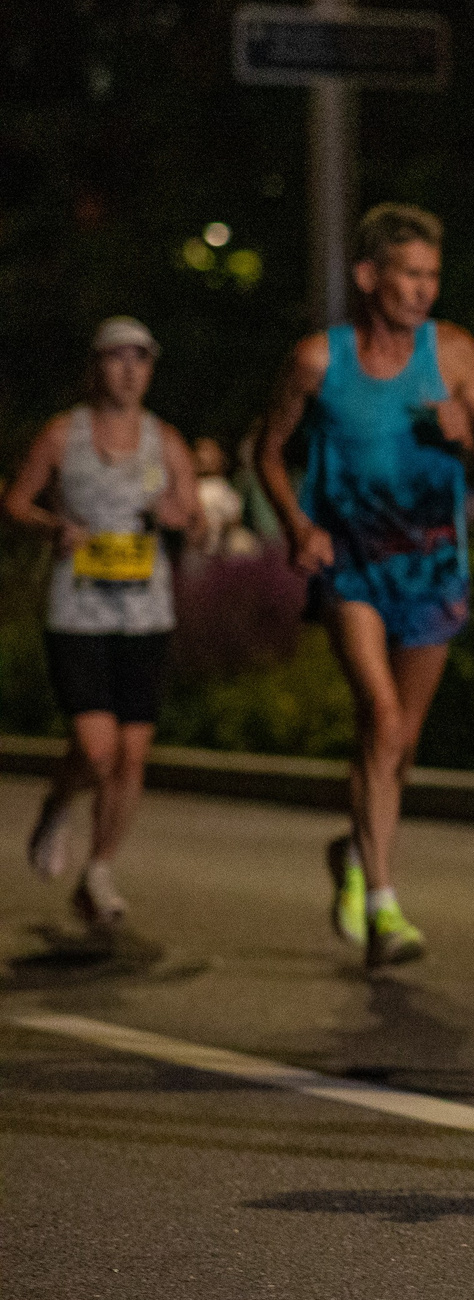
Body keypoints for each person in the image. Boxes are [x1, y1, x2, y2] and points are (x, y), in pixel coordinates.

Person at [255, 202, 474, 969]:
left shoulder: (453, 353)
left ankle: (354, 851)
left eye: (433, 275)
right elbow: (268, 450)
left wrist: (471, 436)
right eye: (409, 274)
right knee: (383, 717)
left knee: (400, 744)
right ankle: (385, 906)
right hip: (353, 567)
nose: (424, 289)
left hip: (431, 569)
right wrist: (298, 525)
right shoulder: (317, 361)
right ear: (368, 277)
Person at [6, 317, 200, 927]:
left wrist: (180, 516)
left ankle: (98, 871)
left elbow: (194, 516)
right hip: (78, 611)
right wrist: (53, 527)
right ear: (95, 368)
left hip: (146, 614)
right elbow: (15, 502)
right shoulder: (63, 435)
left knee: (132, 755)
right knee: (97, 749)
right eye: (117, 358)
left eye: (141, 359)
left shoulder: (165, 441)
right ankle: (59, 803)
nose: (129, 371)